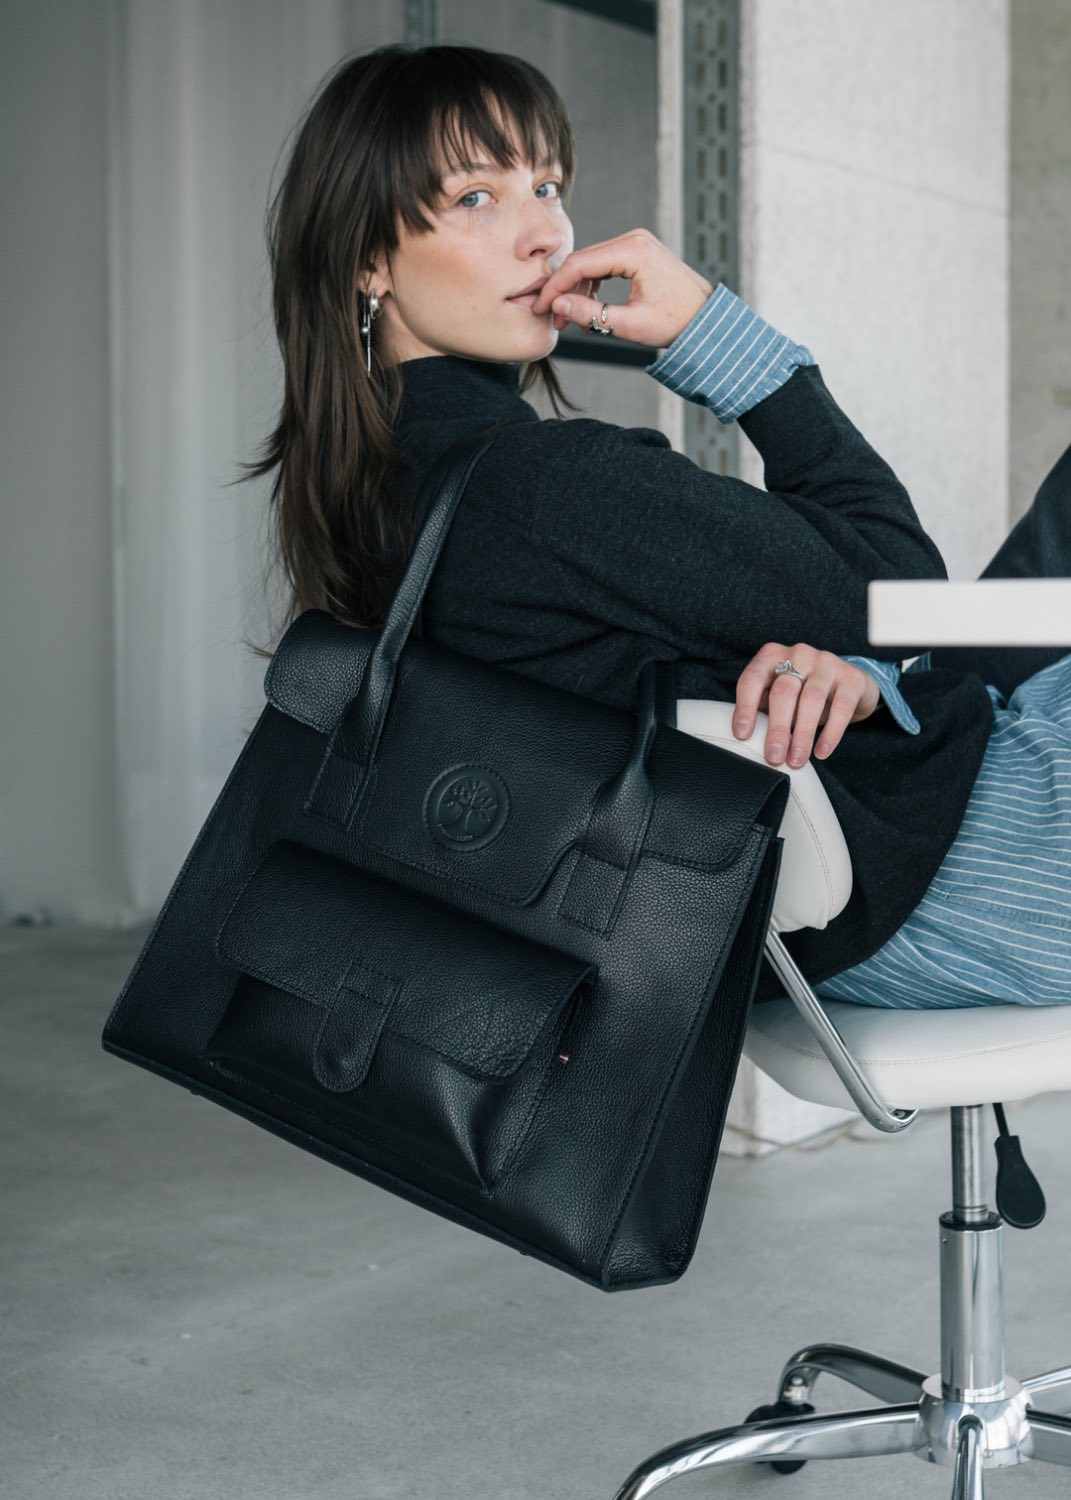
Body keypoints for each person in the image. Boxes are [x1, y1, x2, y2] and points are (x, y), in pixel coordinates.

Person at [248, 42, 1071, 1010]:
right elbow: (902, 597)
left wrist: (851, 672)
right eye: (476, 197)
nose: (545, 234)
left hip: (885, 883)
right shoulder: (543, 489)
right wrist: (714, 335)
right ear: (366, 260)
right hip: (984, 863)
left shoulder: (385, 497)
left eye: (547, 185)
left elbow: (858, 631)